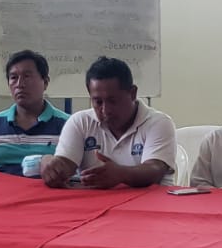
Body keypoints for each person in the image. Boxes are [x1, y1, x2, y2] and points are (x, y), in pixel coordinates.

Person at [44, 56, 175, 189]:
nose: (105, 110)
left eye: (113, 101)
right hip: (94, 199)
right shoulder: (80, 122)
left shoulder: (158, 123)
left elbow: (155, 169)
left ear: (132, 93)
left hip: (148, 200)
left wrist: (122, 175)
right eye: (98, 102)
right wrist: (56, 170)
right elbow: (66, 163)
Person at [0, 50, 69, 176]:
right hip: (2, 188)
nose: (20, 84)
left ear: (45, 82)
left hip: (46, 188)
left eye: (27, 76)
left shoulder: (68, 125)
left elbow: (78, 174)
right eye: (13, 77)